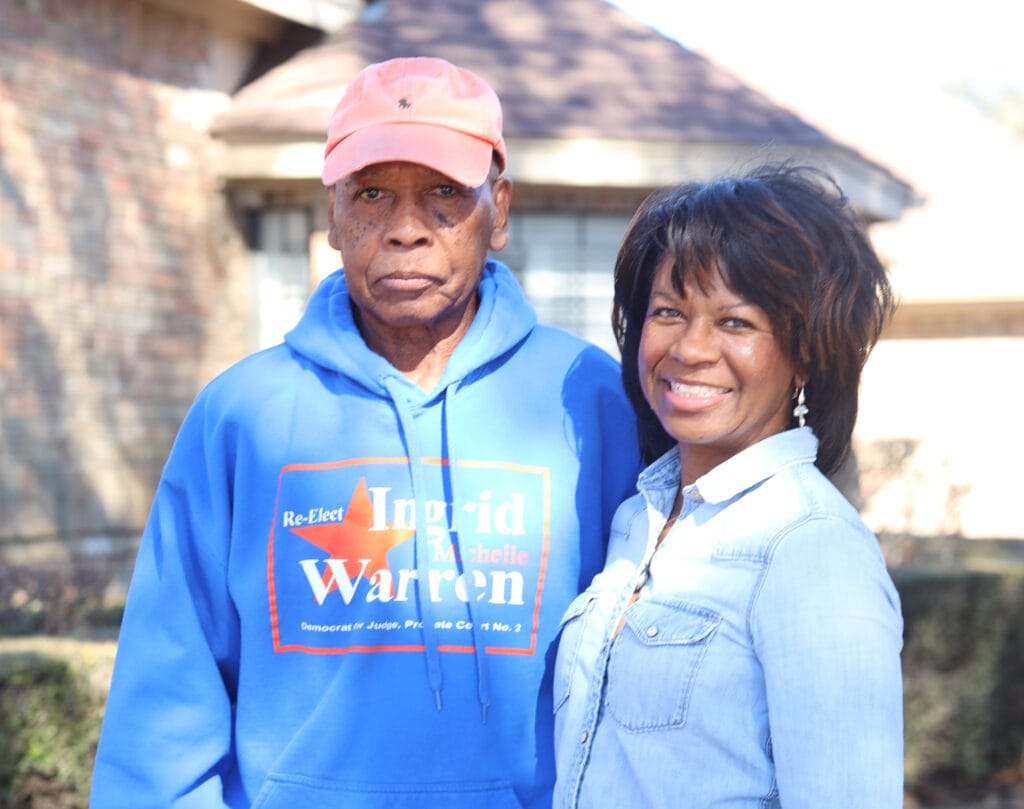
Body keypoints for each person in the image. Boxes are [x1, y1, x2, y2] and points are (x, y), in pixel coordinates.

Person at [91, 56, 640, 808]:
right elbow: (163, 713)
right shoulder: (240, 417)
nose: (406, 230)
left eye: (444, 192)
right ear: (333, 215)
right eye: (372, 193)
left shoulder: (594, 401)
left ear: (500, 209)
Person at [553, 163, 904, 808]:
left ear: (806, 353)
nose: (690, 348)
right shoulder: (639, 519)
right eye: (668, 312)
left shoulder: (811, 548)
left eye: (736, 322)